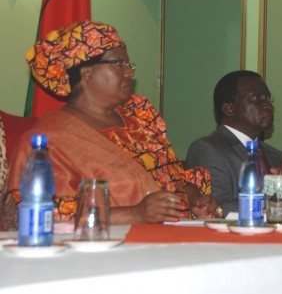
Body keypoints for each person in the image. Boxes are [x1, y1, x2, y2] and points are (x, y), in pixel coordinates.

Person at [0, 20, 222, 230]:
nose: (129, 73)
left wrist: (195, 198)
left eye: (128, 64)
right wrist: (134, 213)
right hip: (108, 250)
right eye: (118, 64)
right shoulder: (49, 137)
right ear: (87, 73)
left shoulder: (140, 117)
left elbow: (174, 177)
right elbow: (36, 212)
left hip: (180, 238)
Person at [185, 70, 282, 216]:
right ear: (229, 109)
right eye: (256, 99)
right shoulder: (208, 149)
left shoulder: (277, 156)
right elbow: (219, 209)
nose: (268, 105)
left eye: (267, 98)